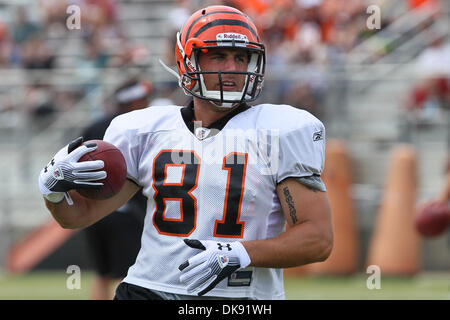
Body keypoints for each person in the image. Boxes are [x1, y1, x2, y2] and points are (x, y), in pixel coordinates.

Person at [38, 5, 333, 300]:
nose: (232, 68)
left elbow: (318, 239)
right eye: (218, 56)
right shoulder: (144, 130)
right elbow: (79, 216)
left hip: (240, 299)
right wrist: (52, 191)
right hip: (147, 291)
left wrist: (242, 253)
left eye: (241, 58)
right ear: (187, 62)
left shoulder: (281, 130)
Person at [80, 79, 152, 299]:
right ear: (133, 101)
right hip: (124, 211)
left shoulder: (93, 127)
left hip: (92, 213)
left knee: (102, 274)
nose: (147, 105)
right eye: (143, 100)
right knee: (125, 276)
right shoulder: (138, 128)